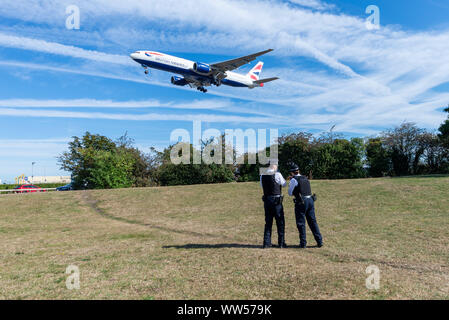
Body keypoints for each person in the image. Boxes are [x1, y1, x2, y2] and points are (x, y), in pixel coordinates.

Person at [287, 163, 323, 248]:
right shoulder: (305, 178)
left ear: (292, 172)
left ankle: (303, 243)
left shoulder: (293, 180)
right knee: (313, 222)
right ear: (298, 170)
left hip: (301, 202)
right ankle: (319, 241)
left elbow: (289, 193)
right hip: (310, 200)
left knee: (301, 223)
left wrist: (290, 182)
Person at [260, 159, 287, 248]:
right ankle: (281, 243)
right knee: (280, 222)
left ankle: (267, 243)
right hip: (276, 201)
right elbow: (284, 184)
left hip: (267, 200)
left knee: (268, 222)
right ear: (273, 165)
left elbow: (261, 186)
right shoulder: (277, 174)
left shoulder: (262, 175)